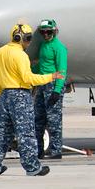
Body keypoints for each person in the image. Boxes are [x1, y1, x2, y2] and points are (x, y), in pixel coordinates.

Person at [0, 23, 62, 176]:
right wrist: (50, 77)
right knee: (26, 132)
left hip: (5, 95)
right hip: (20, 95)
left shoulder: (0, 52)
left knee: (1, 132)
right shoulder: (21, 55)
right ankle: (32, 167)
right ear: (21, 38)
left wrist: (2, 93)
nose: (28, 42)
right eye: (28, 39)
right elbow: (28, 79)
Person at [33, 19, 68, 159]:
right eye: (43, 32)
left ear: (54, 31)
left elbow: (62, 70)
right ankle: (39, 150)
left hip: (53, 84)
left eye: (48, 32)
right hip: (42, 83)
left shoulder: (59, 47)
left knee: (54, 120)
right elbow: (41, 65)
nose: (45, 34)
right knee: (38, 118)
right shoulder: (43, 45)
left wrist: (57, 90)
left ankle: (56, 150)